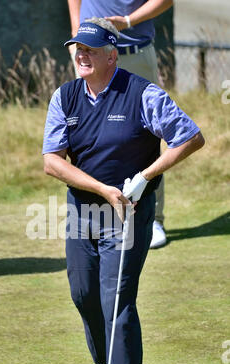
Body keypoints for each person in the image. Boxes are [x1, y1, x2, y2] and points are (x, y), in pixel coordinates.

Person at [42, 18, 204, 364]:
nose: (81, 55)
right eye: (77, 48)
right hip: (85, 211)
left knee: (117, 300)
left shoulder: (142, 93)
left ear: (111, 57)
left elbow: (190, 137)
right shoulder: (65, 97)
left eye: (91, 50)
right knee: (83, 293)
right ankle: (111, 360)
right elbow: (51, 162)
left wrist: (145, 177)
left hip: (129, 212)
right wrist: (101, 189)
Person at [67, 0, 174, 249]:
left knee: (146, 135)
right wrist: (75, 31)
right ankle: (98, 214)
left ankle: (152, 218)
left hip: (135, 53)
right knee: (90, 134)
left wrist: (128, 22)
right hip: (91, 54)